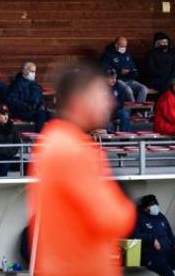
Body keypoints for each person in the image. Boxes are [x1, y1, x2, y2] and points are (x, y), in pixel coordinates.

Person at [27, 65, 136, 276]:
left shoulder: (55, 140)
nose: (109, 102)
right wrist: (126, 202)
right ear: (79, 101)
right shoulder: (73, 150)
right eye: (100, 95)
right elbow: (110, 218)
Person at [133, 194, 175, 276]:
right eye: (151, 205)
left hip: (167, 252)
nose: (154, 206)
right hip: (151, 256)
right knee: (168, 273)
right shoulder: (139, 218)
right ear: (145, 208)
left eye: (155, 204)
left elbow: (169, 233)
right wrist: (152, 239)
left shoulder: (161, 216)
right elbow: (135, 235)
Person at [100, 36, 147, 102]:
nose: (123, 48)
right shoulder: (108, 55)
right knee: (128, 90)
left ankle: (139, 110)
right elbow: (103, 69)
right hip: (118, 80)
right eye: (122, 46)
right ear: (116, 45)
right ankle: (132, 109)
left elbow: (133, 67)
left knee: (143, 89)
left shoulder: (127, 55)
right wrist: (119, 71)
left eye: (125, 46)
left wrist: (132, 72)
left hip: (130, 79)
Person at [6, 62, 49, 132]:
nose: (34, 74)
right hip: (22, 112)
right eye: (32, 71)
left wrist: (42, 105)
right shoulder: (17, 84)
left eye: (35, 72)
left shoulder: (34, 84)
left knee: (53, 116)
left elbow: (40, 98)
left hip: (35, 110)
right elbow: (11, 100)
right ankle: (38, 137)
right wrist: (26, 106)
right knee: (41, 115)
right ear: (25, 71)